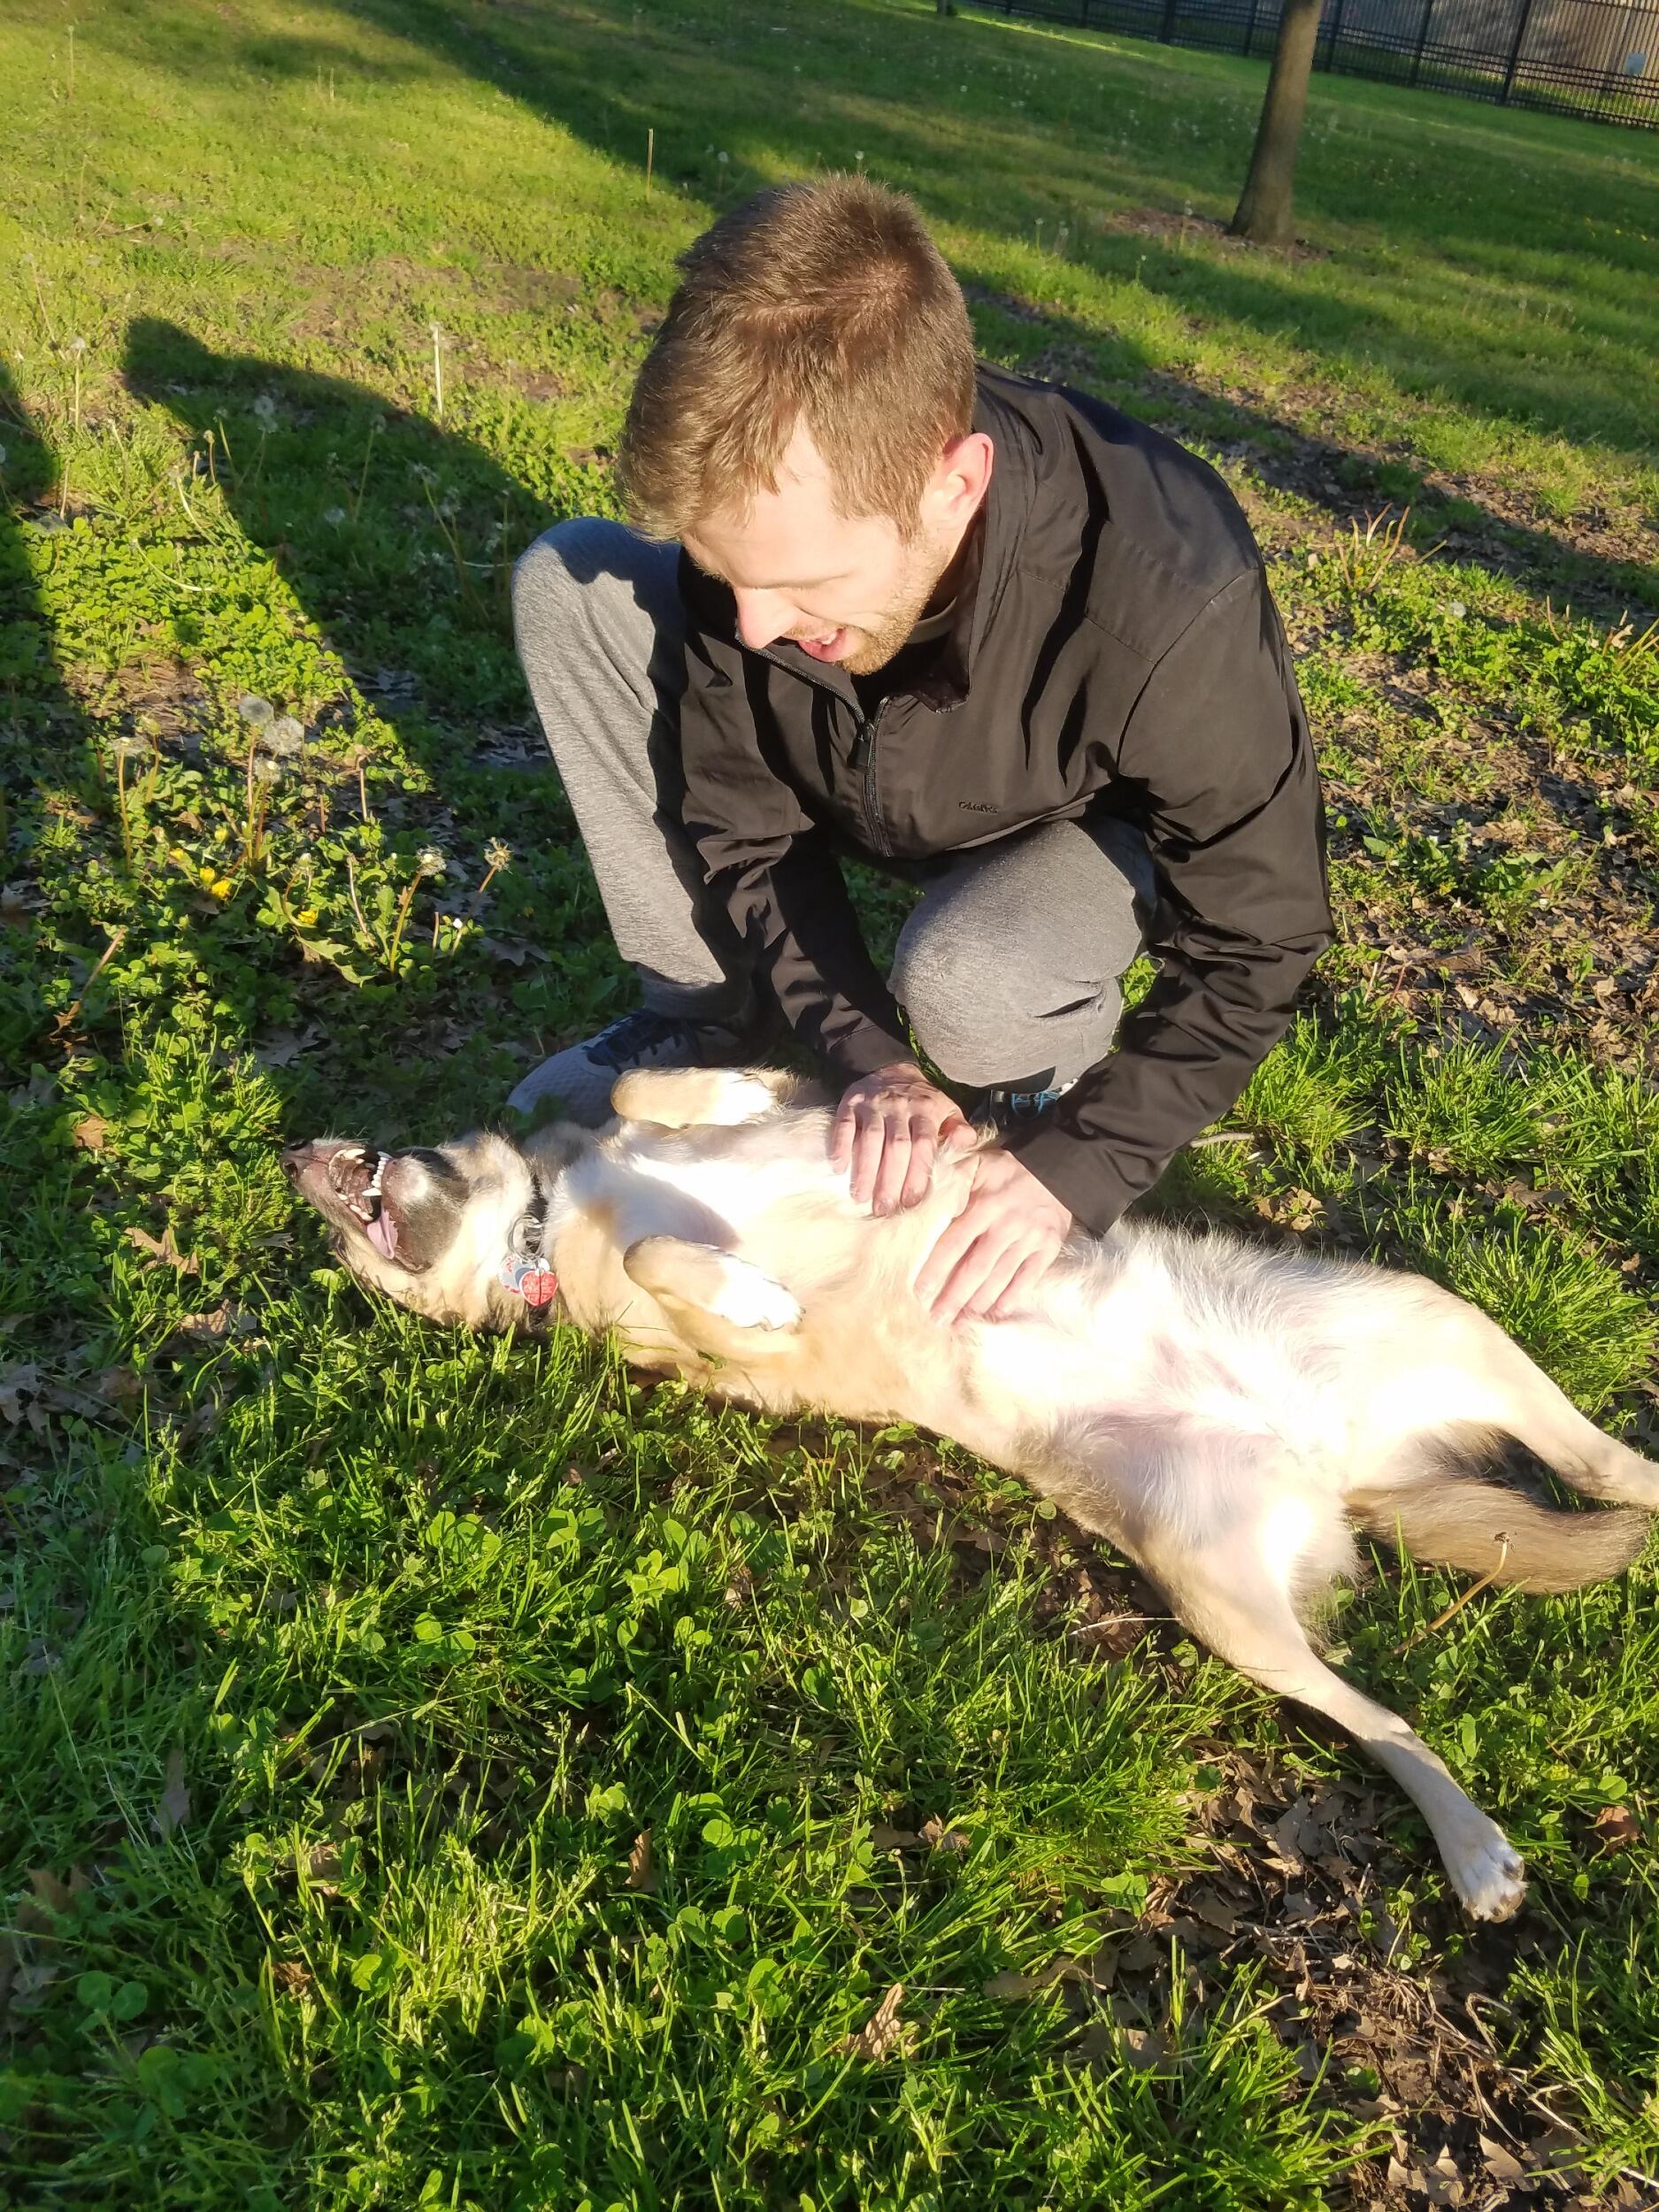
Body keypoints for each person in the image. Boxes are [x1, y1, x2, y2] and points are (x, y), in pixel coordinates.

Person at [509, 175, 1332, 1327]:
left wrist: (1076, 1165)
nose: (747, 629)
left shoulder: (1169, 591)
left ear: (954, 487)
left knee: (969, 979)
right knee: (575, 580)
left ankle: (1018, 1078)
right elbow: (744, 830)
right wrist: (870, 1060)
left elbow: (1261, 941)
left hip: (1059, 826)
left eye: (799, 583)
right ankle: (708, 1009)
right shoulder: (758, 578)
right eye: (727, 576)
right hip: (851, 778)